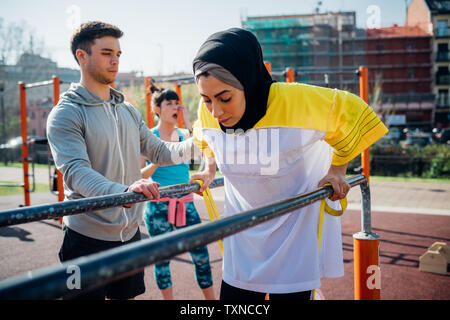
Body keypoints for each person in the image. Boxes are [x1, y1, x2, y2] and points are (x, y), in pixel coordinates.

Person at [190, 28, 388, 300]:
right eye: (206, 99)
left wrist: (337, 169)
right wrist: (208, 167)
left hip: (294, 238)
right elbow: (204, 135)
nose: (216, 111)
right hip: (243, 243)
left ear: (248, 82)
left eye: (225, 98)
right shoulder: (209, 111)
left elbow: (355, 114)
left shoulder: (293, 100)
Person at [46, 21, 197, 300]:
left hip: (128, 236)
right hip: (85, 239)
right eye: (106, 53)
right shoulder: (66, 113)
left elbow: (161, 152)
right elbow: (77, 172)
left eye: (118, 53)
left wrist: (200, 145)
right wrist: (122, 193)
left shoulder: (127, 110)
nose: (115, 60)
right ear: (82, 56)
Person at [140, 84, 215, 300]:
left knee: (201, 256)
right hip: (158, 206)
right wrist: (159, 156)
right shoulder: (148, 137)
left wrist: (189, 119)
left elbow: (202, 148)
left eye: (176, 103)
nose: (175, 107)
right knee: (162, 260)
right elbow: (140, 175)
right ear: (157, 109)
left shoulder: (183, 134)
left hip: (185, 202)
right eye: (169, 104)